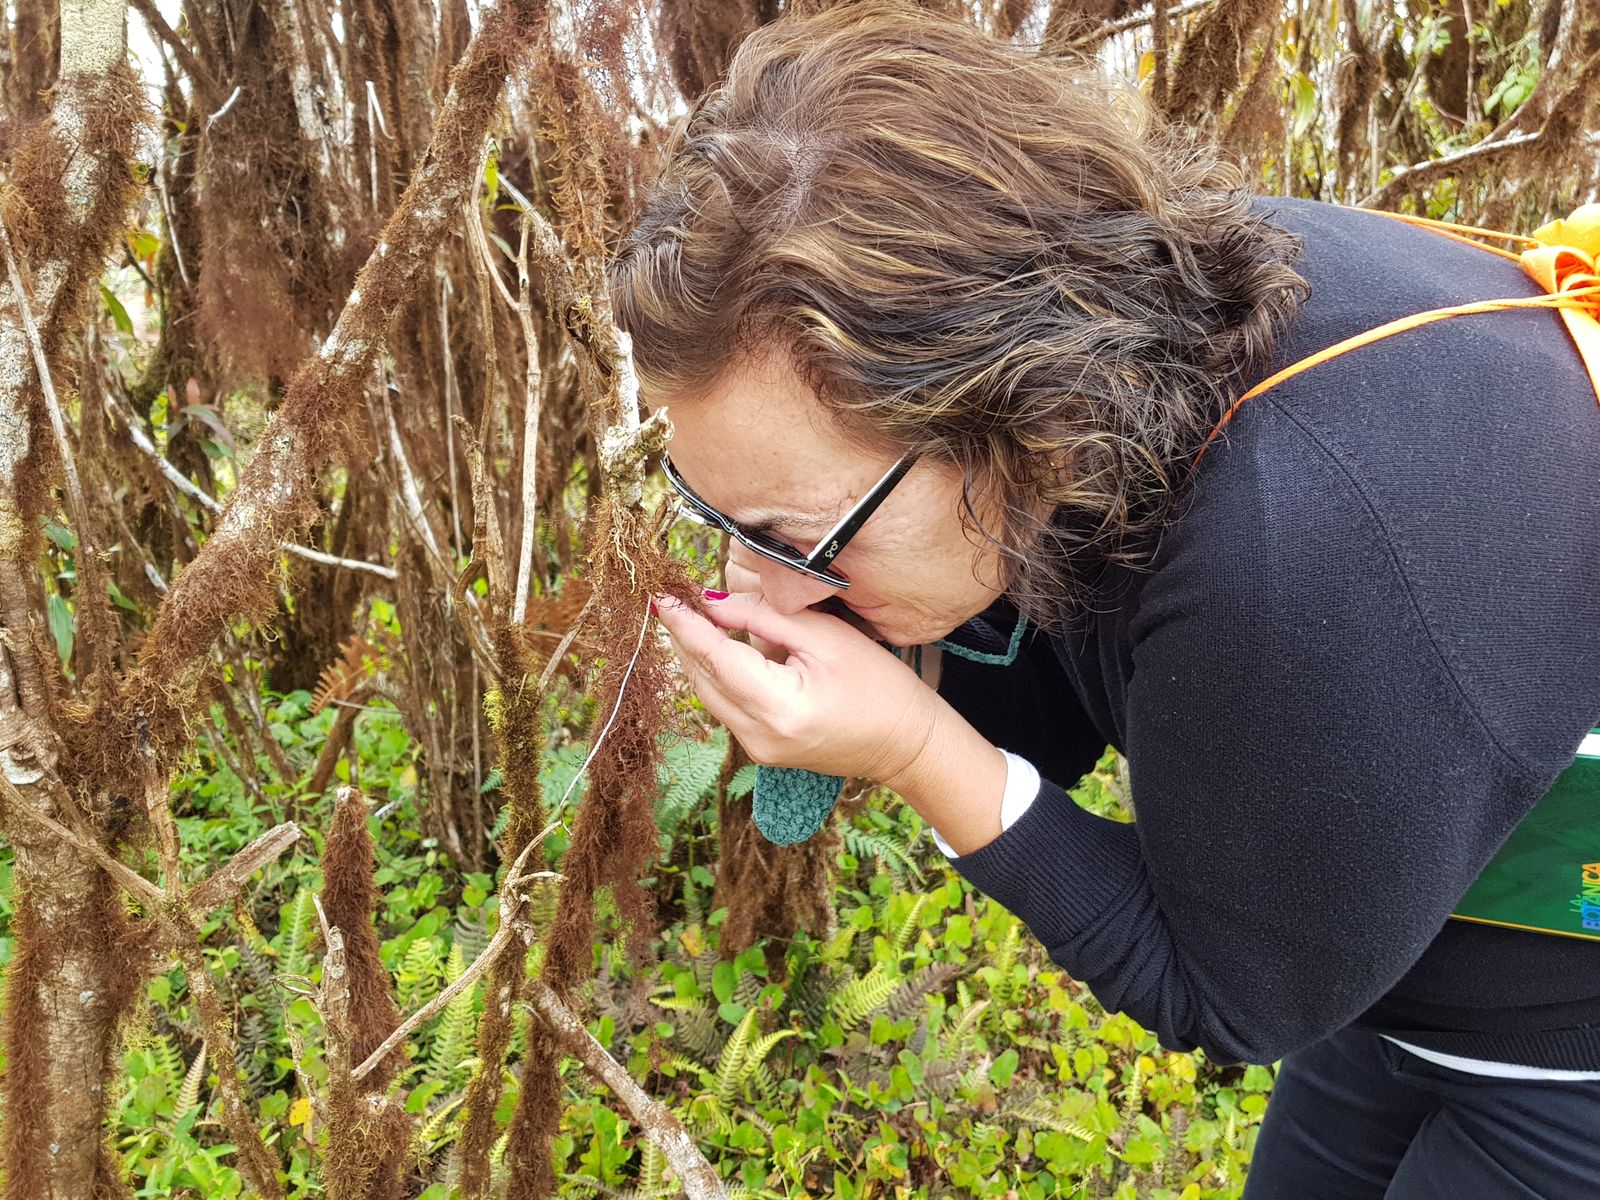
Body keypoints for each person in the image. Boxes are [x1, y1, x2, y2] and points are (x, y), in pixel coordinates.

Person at [608, 4, 1600, 1196]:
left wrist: (917, 746)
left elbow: (1229, 997)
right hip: (1391, 966)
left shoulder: (1293, 541)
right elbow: (1069, 692)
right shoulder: (1122, 338)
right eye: (717, 519)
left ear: (1015, 412)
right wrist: (906, 660)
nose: (752, 583)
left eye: (787, 534)